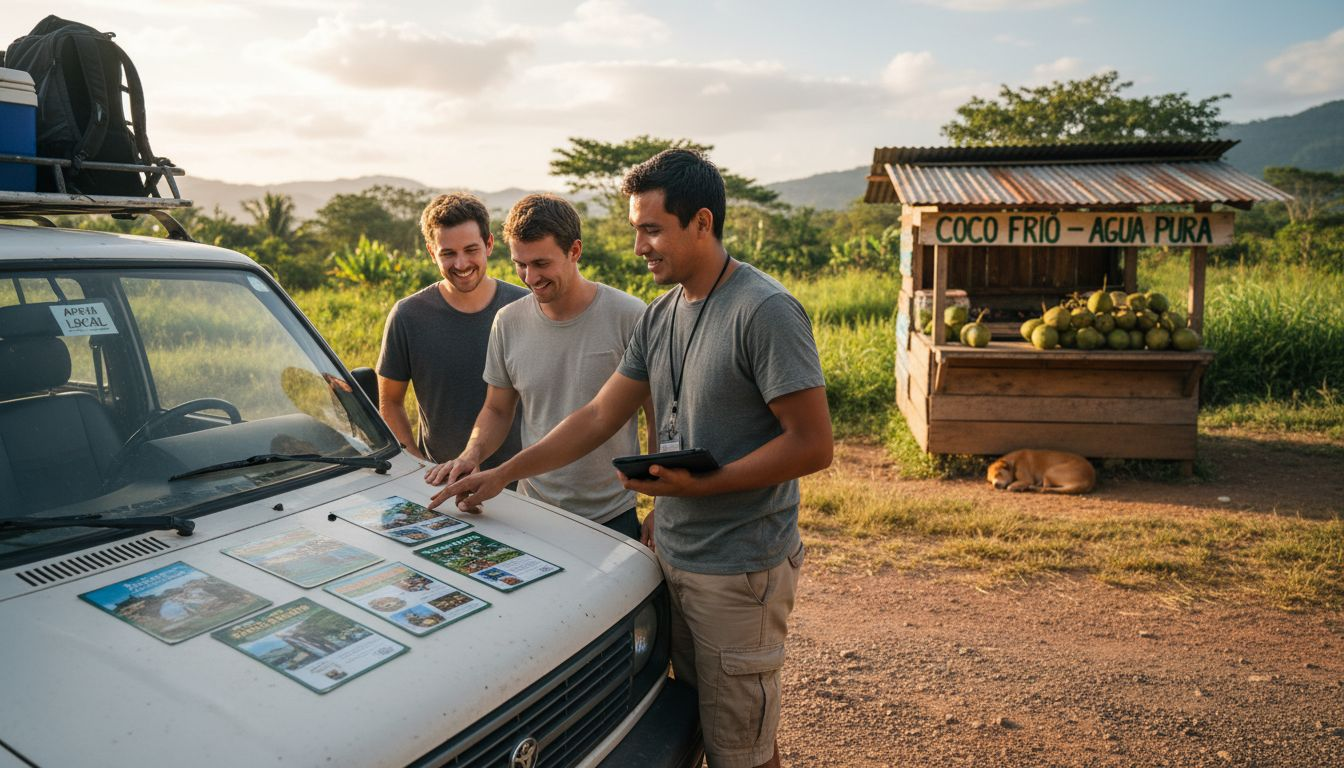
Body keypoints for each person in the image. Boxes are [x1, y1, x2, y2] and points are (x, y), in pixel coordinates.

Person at [429, 149, 832, 768]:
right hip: (672, 553)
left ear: (701, 223)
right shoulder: (663, 313)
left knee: (742, 750)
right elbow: (597, 416)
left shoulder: (763, 309)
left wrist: (705, 486)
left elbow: (813, 443)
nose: (640, 245)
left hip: (738, 565)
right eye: (635, 229)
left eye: (651, 228)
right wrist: (501, 474)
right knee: (698, 719)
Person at [423, 193, 653, 539]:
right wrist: (473, 453)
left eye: (541, 264)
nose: (530, 278)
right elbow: (498, 410)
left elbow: (658, 415)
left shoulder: (630, 316)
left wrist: (661, 506)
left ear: (574, 251)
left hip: (611, 513)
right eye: (520, 264)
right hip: (533, 509)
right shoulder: (508, 321)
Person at [376, 193, 527, 464]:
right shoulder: (408, 316)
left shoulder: (525, 306)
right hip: (440, 483)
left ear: (489, 244)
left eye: (471, 250)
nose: (461, 264)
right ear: (432, 252)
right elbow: (390, 402)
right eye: (448, 253)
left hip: (521, 481)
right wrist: (414, 463)